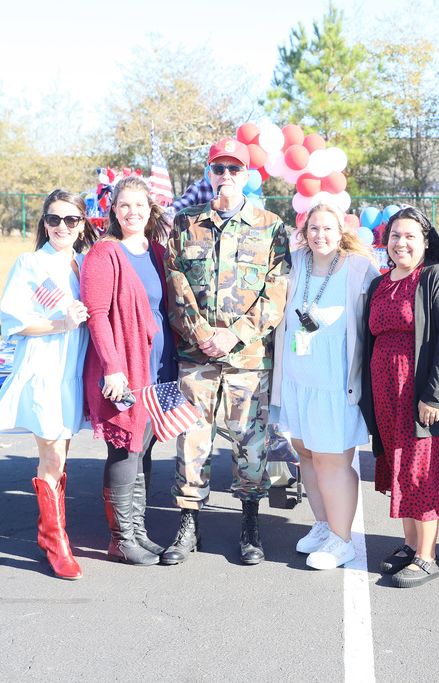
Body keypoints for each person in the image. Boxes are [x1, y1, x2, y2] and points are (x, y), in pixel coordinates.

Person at [161, 138, 290, 566]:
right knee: (190, 440)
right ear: (208, 173)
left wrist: (234, 335)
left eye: (235, 170)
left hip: (247, 360)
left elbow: (276, 293)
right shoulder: (185, 224)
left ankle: (249, 523)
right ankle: (188, 523)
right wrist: (202, 333)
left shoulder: (271, 226)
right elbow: (174, 284)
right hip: (196, 356)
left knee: (251, 443)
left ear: (248, 176)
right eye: (219, 169)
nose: (226, 177)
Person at [361, 206, 439, 588]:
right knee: (401, 469)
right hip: (386, 396)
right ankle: (411, 545)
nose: (402, 242)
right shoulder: (381, 284)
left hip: (421, 398)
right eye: (395, 235)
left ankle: (428, 557)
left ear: (426, 241)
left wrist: (434, 396)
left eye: (411, 236)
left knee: (419, 473)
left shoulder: (437, 278)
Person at [0, 189, 97, 580]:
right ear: (43, 222)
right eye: (54, 219)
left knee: (61, 456)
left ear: (83, 224)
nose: (62, 226)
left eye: (71, 219)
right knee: (53, 457)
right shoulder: (30, 263)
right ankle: (55, 541)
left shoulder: (87, 264)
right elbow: (14, 323)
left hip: (75, 372)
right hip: (44, 370)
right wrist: (61, 323)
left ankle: (50, 533)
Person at [270, 201, 379, 570]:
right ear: (304, 232)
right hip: (298, 381)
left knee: (333, 460)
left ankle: (342, 540)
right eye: (314, 228)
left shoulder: (359, 268)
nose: (321, 235)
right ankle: (322, 525)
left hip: (335, 386)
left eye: (328, 229)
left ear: (341, 232)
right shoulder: (295, 263)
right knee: (306, 453)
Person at [80, 176, 177, 566]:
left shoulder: (156, 250)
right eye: (124, 205)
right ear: (114, 210)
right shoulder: (104, 253)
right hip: (124, 367)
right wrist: (113, 368)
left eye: (140, 205)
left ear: (150, 209)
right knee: (124, 448)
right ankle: (121, 538)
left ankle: (139, 532)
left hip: (158, 367)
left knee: (146, 448)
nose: (132, 212)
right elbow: (97, 315)